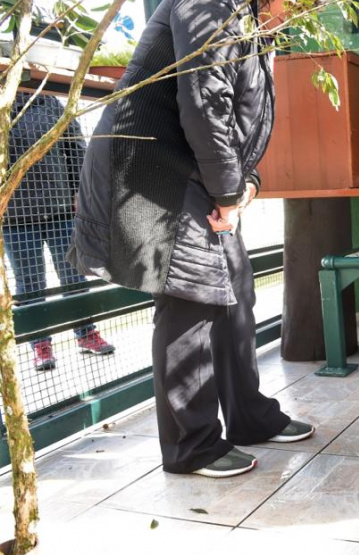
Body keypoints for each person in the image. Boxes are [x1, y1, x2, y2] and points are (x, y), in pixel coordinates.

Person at [68, 0, 314, 478]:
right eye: (298, 5)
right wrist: (227, 191)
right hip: (151, 170)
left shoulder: (252, 22)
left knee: (236, 287)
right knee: (190, 295)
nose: (296, 16)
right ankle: (191, 446)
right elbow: (205, 102)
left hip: (195, 170)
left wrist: (244, 185)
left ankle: (248, 416)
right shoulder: (210, 4)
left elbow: (243, 120)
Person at [3, 92, 115, 371]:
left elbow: (76, 148)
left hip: (60, 209)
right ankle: (40, 345)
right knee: (30, 284)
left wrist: (79, 190)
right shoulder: (4, 105)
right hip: (15, 217)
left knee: (74, 274)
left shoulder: (50, 103)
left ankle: (86, 333)